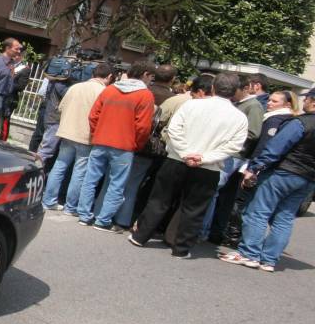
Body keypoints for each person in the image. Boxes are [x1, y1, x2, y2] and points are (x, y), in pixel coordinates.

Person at [128, 73, 248, 259]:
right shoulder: (239, 117)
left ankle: (140, 236)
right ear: (235, 92)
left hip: (177, 159)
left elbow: (174, 130)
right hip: (209, 168)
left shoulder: (192, 104)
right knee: (194, 209)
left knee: (160, 199)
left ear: (213, 87)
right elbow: (233, 146)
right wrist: (203, 158)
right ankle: (181, 248)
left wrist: (185, 152)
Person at [221, 88, 315, 272]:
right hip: (308, 178)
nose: (304, 102)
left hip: (285, 172)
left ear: (313, 101)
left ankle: (249, 254)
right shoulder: (300, 121)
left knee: (258, 212)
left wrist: (255, 167)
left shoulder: (301, 122)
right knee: (285, 217)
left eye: (308, 99)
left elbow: (276, 147)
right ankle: (269, 259)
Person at [76, 62, 157, 232]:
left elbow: (93, 116)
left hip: (101, 141)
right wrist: (137, 144)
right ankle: (103, 220)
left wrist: (96, 133)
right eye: (151, 77)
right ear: (145, 74)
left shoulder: (110, 89)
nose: (152, 80)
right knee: (116, 184)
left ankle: (83, 215)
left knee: (90, 179)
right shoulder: (145, 95)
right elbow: (143, 127)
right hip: (124, 145)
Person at [42, 63, 114, 213]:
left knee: (59, 166)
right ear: (109, 77)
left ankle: (48, 200)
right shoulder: (104, 92)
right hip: (86, 136)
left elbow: (60, 108)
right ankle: (70, 207)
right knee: (79, 172)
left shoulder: (75, 87)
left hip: (66, 131)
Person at [205, 76, 264, 244]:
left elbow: (253, 133)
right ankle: (208, 229)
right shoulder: (237, 104)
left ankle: (205, 229)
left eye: (235, 90)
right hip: (225, 152)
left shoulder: (253, 106)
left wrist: (229, 134)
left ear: (245, 89)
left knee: (214, 190)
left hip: (234, 155)